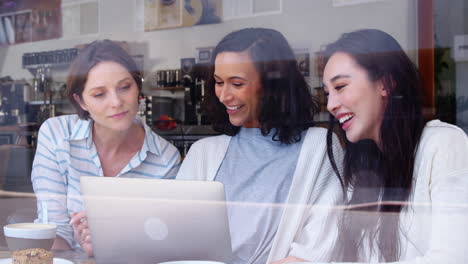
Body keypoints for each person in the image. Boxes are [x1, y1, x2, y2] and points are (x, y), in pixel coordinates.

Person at [282, 29, 468, 263]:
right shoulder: (363, 164)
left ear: (385, 84)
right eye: (327, 93)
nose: (330, 105)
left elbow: (453, 258)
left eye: (340, 87)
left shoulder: (444, 144)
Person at [176, 28, 344, 264]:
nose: (224, 96)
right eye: (218, 82)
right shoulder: (204, 152)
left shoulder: (319, 147)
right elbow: (177, 237)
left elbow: (320, 245)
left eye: (236, 83)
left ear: (273, 85)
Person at [31, 40, 181, 256]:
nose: (116, 102)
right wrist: (83, 253)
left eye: (124, 87)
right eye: (99, 94)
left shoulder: (165, 159)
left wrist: (105, 248)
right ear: (81, 101)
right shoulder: (56, 135)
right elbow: (52, 232)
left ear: (137, 87)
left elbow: (162, 241)